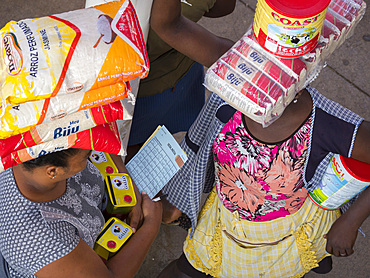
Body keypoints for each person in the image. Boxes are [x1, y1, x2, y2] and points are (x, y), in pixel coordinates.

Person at [157, 86, 370, 277]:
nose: (264, 87)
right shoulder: (234, 94)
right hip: (223, 221)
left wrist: (351, 221)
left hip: (287, 236)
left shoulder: (326, 124)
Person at [0, 148, 162, 278]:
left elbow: (103, 148)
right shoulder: (42, 240)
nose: (93, 152)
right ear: (53, 171)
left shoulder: (32, 153)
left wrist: (125, 182)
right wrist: (151, 226)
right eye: (86, 156)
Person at [126, 0, 237, 161]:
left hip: (183, 75)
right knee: (133, 145)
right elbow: (171, 27)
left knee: (155, 139)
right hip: (143, 93)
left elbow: (222, 8)